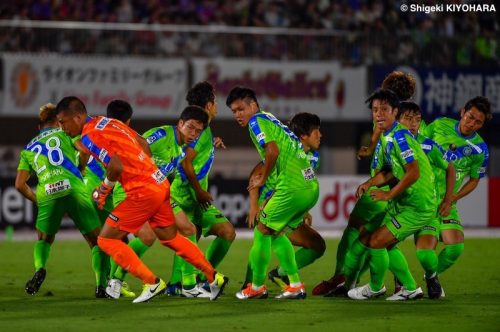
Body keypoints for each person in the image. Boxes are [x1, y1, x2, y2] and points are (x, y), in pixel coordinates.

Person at [55, 96, 228, 303]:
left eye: (63, 122)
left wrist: (103, 189)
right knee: (171, 237)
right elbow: (143, 143)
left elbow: (116, 166)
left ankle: (150, 282)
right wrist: (143, 167)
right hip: (159, 183)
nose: (61, 127)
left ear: (77, 117)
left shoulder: (89, 135)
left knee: (106, 239)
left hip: (142, 190)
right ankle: (213, 277)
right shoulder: (107, 122)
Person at [313, 70, 417, 296]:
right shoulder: (399, 117)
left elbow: (398, 162)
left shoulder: (390, 118)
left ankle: (345, 279)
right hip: (388, 186)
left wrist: (376, 183)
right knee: (380, 239)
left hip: (385, 187)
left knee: (366, 235)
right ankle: (392, 282)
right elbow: (379, 135)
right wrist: (370, 149)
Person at [227, 87, 319, 299]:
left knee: (262, 231)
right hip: (309, 186)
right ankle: (294, 285)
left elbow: (272, 151)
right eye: (234, 111)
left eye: (241, 109)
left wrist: (264, 177)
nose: (238, 115)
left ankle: (257, 287)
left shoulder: (256, 121)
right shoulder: (270, 118)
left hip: (292, 187)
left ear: (253, 105)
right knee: (275, 233)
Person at [346, 89, 436, 301]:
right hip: (406, 201)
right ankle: (410, 289)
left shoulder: (400, 135)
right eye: (375, 110)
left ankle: (376, 288)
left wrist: (388, 196)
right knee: (371, 238)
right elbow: (389, 170)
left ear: (395, 111)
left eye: (384, 109)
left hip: (418, 205)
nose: (379, 114)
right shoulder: (387, 136)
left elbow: (413, 172)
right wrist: (369, 183)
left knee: (377, 241)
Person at [15, 103, 108, 298]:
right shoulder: (66, 134)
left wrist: (37, 200)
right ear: (58, 122)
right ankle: (101, 285)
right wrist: (81, 169)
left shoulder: (28, 148)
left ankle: (40, 268)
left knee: (44, 239)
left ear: (39, 127)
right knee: (96, 241)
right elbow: (84, 151)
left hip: (48, 192)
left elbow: (19, 185)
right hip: (74, 188)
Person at [167, 81, 236, 297]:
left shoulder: (203, 130)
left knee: (226, 232)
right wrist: (198, 191)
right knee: (191, 235)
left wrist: (211, 143)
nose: (217, 106)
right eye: (214, 102)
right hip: (186, 195)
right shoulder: (200, 130)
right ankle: (178, 284)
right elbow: (186, 161)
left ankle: (197, 279)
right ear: (208, 105)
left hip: (193, 196)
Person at [242, 112, 326, 289]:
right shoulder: (284, 153)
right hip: (274, 206)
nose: (320, 135)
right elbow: (255, 176)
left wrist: (303, 209)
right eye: (316, 131)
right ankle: (251, 283)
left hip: (288, 205)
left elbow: (296, 185)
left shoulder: (313, 159)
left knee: (318, 246)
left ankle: (280, 274)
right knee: (265, 234)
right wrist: (254, 206)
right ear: (302, 135)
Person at [423, 96, 492, 294]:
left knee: (456, 247)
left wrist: (453, 198)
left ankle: (430, 276)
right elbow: (417, 144)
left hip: (447, 202)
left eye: (478, 122)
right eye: (470, 117)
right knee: (424, 248)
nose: (472, 124)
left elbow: (474, 180)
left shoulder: (480, 149)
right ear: (462, 112)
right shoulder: (439, 125)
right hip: (423, 197)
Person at [397, 101, 455, 299]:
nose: (414, 123)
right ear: (397, 119)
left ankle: (431, 276)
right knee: (376, 244)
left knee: (424, 254)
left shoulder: (428, 145)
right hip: (400, 208)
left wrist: (448, 199)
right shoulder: (389, 142)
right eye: (408, 119)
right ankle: (379, 285)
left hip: (426, 209)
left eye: (417, 120)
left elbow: (450, 167)